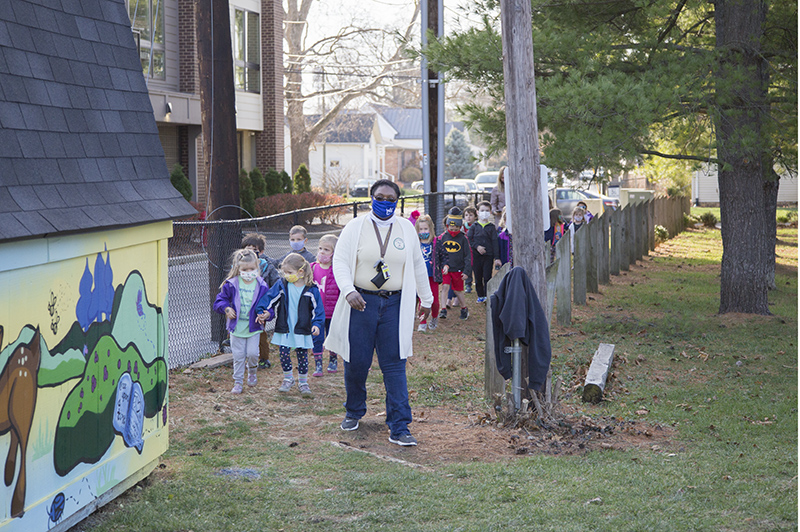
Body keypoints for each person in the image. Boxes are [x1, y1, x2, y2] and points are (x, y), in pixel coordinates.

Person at [324, 179, 432, 447]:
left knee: (395, 364)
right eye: (380, 197)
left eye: (390, 198)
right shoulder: (355, 227)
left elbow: (418, 264)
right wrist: (348, 291)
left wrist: (426, 298)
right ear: (371, 198)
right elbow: (339, 261)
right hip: (360, 303)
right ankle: (354, 410)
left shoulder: (405, 228)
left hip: (394, 304)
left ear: (397, 201)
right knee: (357, 362)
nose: (385, 202)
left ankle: (399, 426)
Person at [255, 253, 324, 397]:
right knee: (284, 353)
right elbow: (269, 298)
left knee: (302, 355)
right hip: (285, 328)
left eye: (289, 272)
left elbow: (318, 310)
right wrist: (264, 311)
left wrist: (317, 324)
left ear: (301, 272)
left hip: (302, 328)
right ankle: (288, 378)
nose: (286, 275)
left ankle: (303, 382)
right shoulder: (282, 284)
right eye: (284, 272)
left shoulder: (311, 289)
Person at [213, 249, 270, 394]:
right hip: (237, 327)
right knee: (238, 356)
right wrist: (226, 308)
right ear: (238, 268)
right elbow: (220, 301)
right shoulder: (231, 284)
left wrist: (267, 314)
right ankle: (238, 382)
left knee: (252, 353)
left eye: (252, 269)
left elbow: (269, 304)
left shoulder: (261, 285)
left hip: (254, 327)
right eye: (245, 269)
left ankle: (252, 371)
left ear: (257, 267)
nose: (248, 272)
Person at [241, 233, 280, 369]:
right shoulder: (240, 266)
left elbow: (276, 284)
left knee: (260, 333)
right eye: (247, 250)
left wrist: (269, 301)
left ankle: (264, 358)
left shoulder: (266, 267)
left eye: (254, 250)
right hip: (244, 305)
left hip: (261, 305)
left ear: (261, 252)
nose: (250, 253)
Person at [310, 234, 340, 375]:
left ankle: (333, 360)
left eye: (327, 250)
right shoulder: (312, 268)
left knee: (332, 337)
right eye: (320, 248)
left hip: (333, 311)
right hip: (317, 313)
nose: (322, 252)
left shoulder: (337, 270)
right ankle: (318, 363)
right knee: (317, 337)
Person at [436, 206, 472, 321]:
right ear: (447, 225)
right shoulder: (442, 238)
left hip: (458, 269)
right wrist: (440, 267)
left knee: (458, 290)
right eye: (452, 226)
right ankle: (443, 309)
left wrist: (467, 271)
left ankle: (463, 308)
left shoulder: (463, 239)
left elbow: (467, 256)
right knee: (445, 287)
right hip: (446, 269)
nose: (454, 229)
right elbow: (438, 254)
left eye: (457, 227)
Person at [467, 201, 501, 304]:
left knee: (487, 276)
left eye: (487, 211)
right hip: (477, 256)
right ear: (477, 212)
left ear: (490, 212)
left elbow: (495, 242)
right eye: (482, 210)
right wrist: (477, 247)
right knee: (477, 276)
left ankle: (487, 295)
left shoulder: (491, 227)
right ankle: (480, 295)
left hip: (488, 256)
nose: (484, 212)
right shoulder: (474, 226)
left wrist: (497, 257)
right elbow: (469, 240)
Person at [415, 214, 439, 332]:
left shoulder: (436, 242)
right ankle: (422, 322)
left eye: (425, 229)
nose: (423, 231)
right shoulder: (415, 243)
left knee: (434, 300)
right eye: (421, 229)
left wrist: (444, 265)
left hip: (432, 276)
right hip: (419, 275)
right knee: (421, 299)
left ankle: (434, 317)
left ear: (430, 229)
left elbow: (443, 255)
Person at [462, 206, 477, 294]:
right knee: (468, 267)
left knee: (476, 267)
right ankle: (468, 284)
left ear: (475, 216)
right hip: (466, 251)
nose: (468, 217)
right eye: (466, 215)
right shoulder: (463, 227)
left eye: (471, 215)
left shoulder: (476, 226)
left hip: (475, 250)